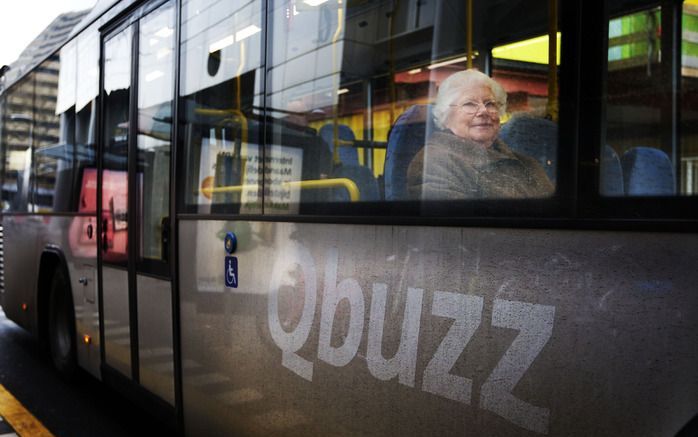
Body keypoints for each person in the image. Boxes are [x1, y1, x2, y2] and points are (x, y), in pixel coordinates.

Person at [407, 69, 554, 200]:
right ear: (446, 116)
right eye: (469, 104)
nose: (484, 111)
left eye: (490, 104)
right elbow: (459, 227)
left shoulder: (527, 163)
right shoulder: (433, 163)